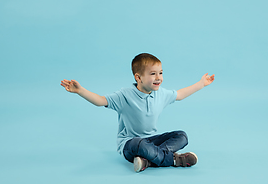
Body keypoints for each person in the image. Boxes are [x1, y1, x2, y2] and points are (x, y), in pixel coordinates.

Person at [60, 53, 215, 172]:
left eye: (160, 73)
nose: (158, 78)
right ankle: (174, 160)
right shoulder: (124, 96)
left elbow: (180, 94)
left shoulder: (161, 94)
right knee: (139, 143)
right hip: (130, 145)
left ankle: (147, 161)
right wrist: (80, 91)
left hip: (152, 141)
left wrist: (201, 84)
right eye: (153, 74)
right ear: (138, 77)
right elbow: (100, 101)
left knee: (182, 136)